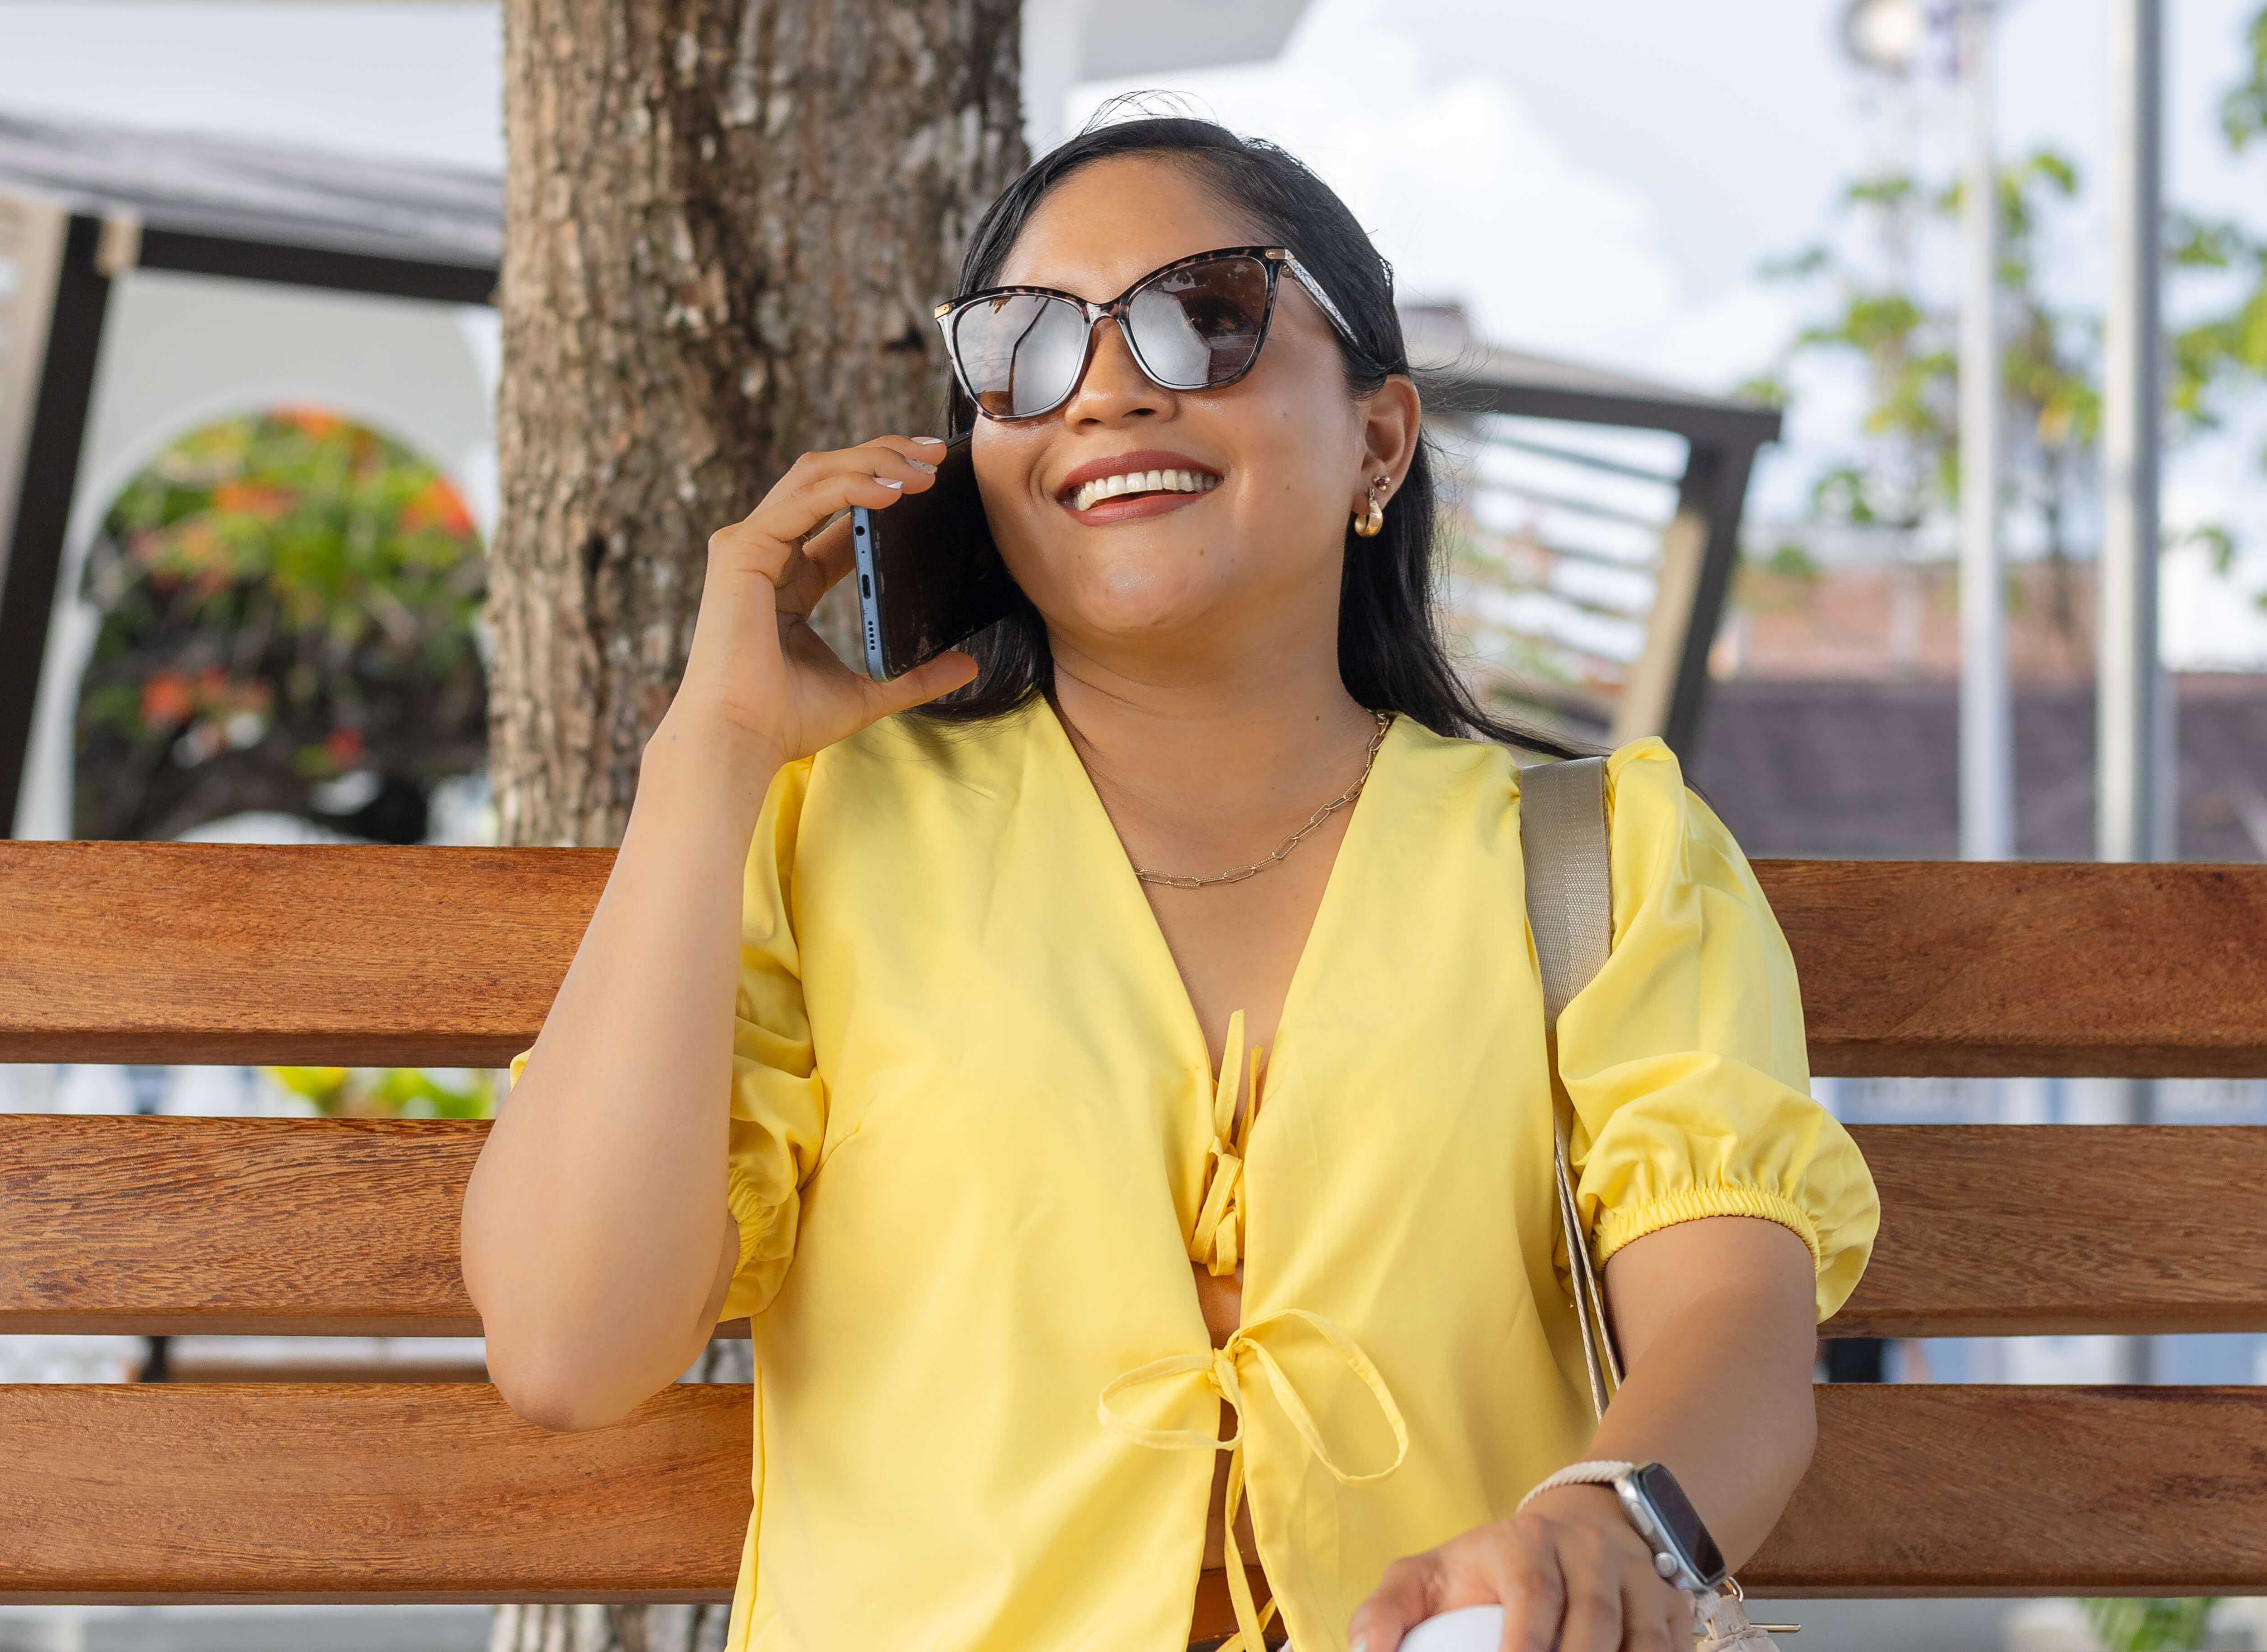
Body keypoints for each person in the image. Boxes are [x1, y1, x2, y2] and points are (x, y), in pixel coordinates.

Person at [461, 115, 1878, 1652]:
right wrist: (709, 756)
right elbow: (565, 1346)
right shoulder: (818, 832)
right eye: (1025, 349)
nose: (1110, 388)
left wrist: (1608, 1523)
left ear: (1380, 445)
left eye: (1207, 317)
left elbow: (1733, 1314)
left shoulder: (1603, 856)